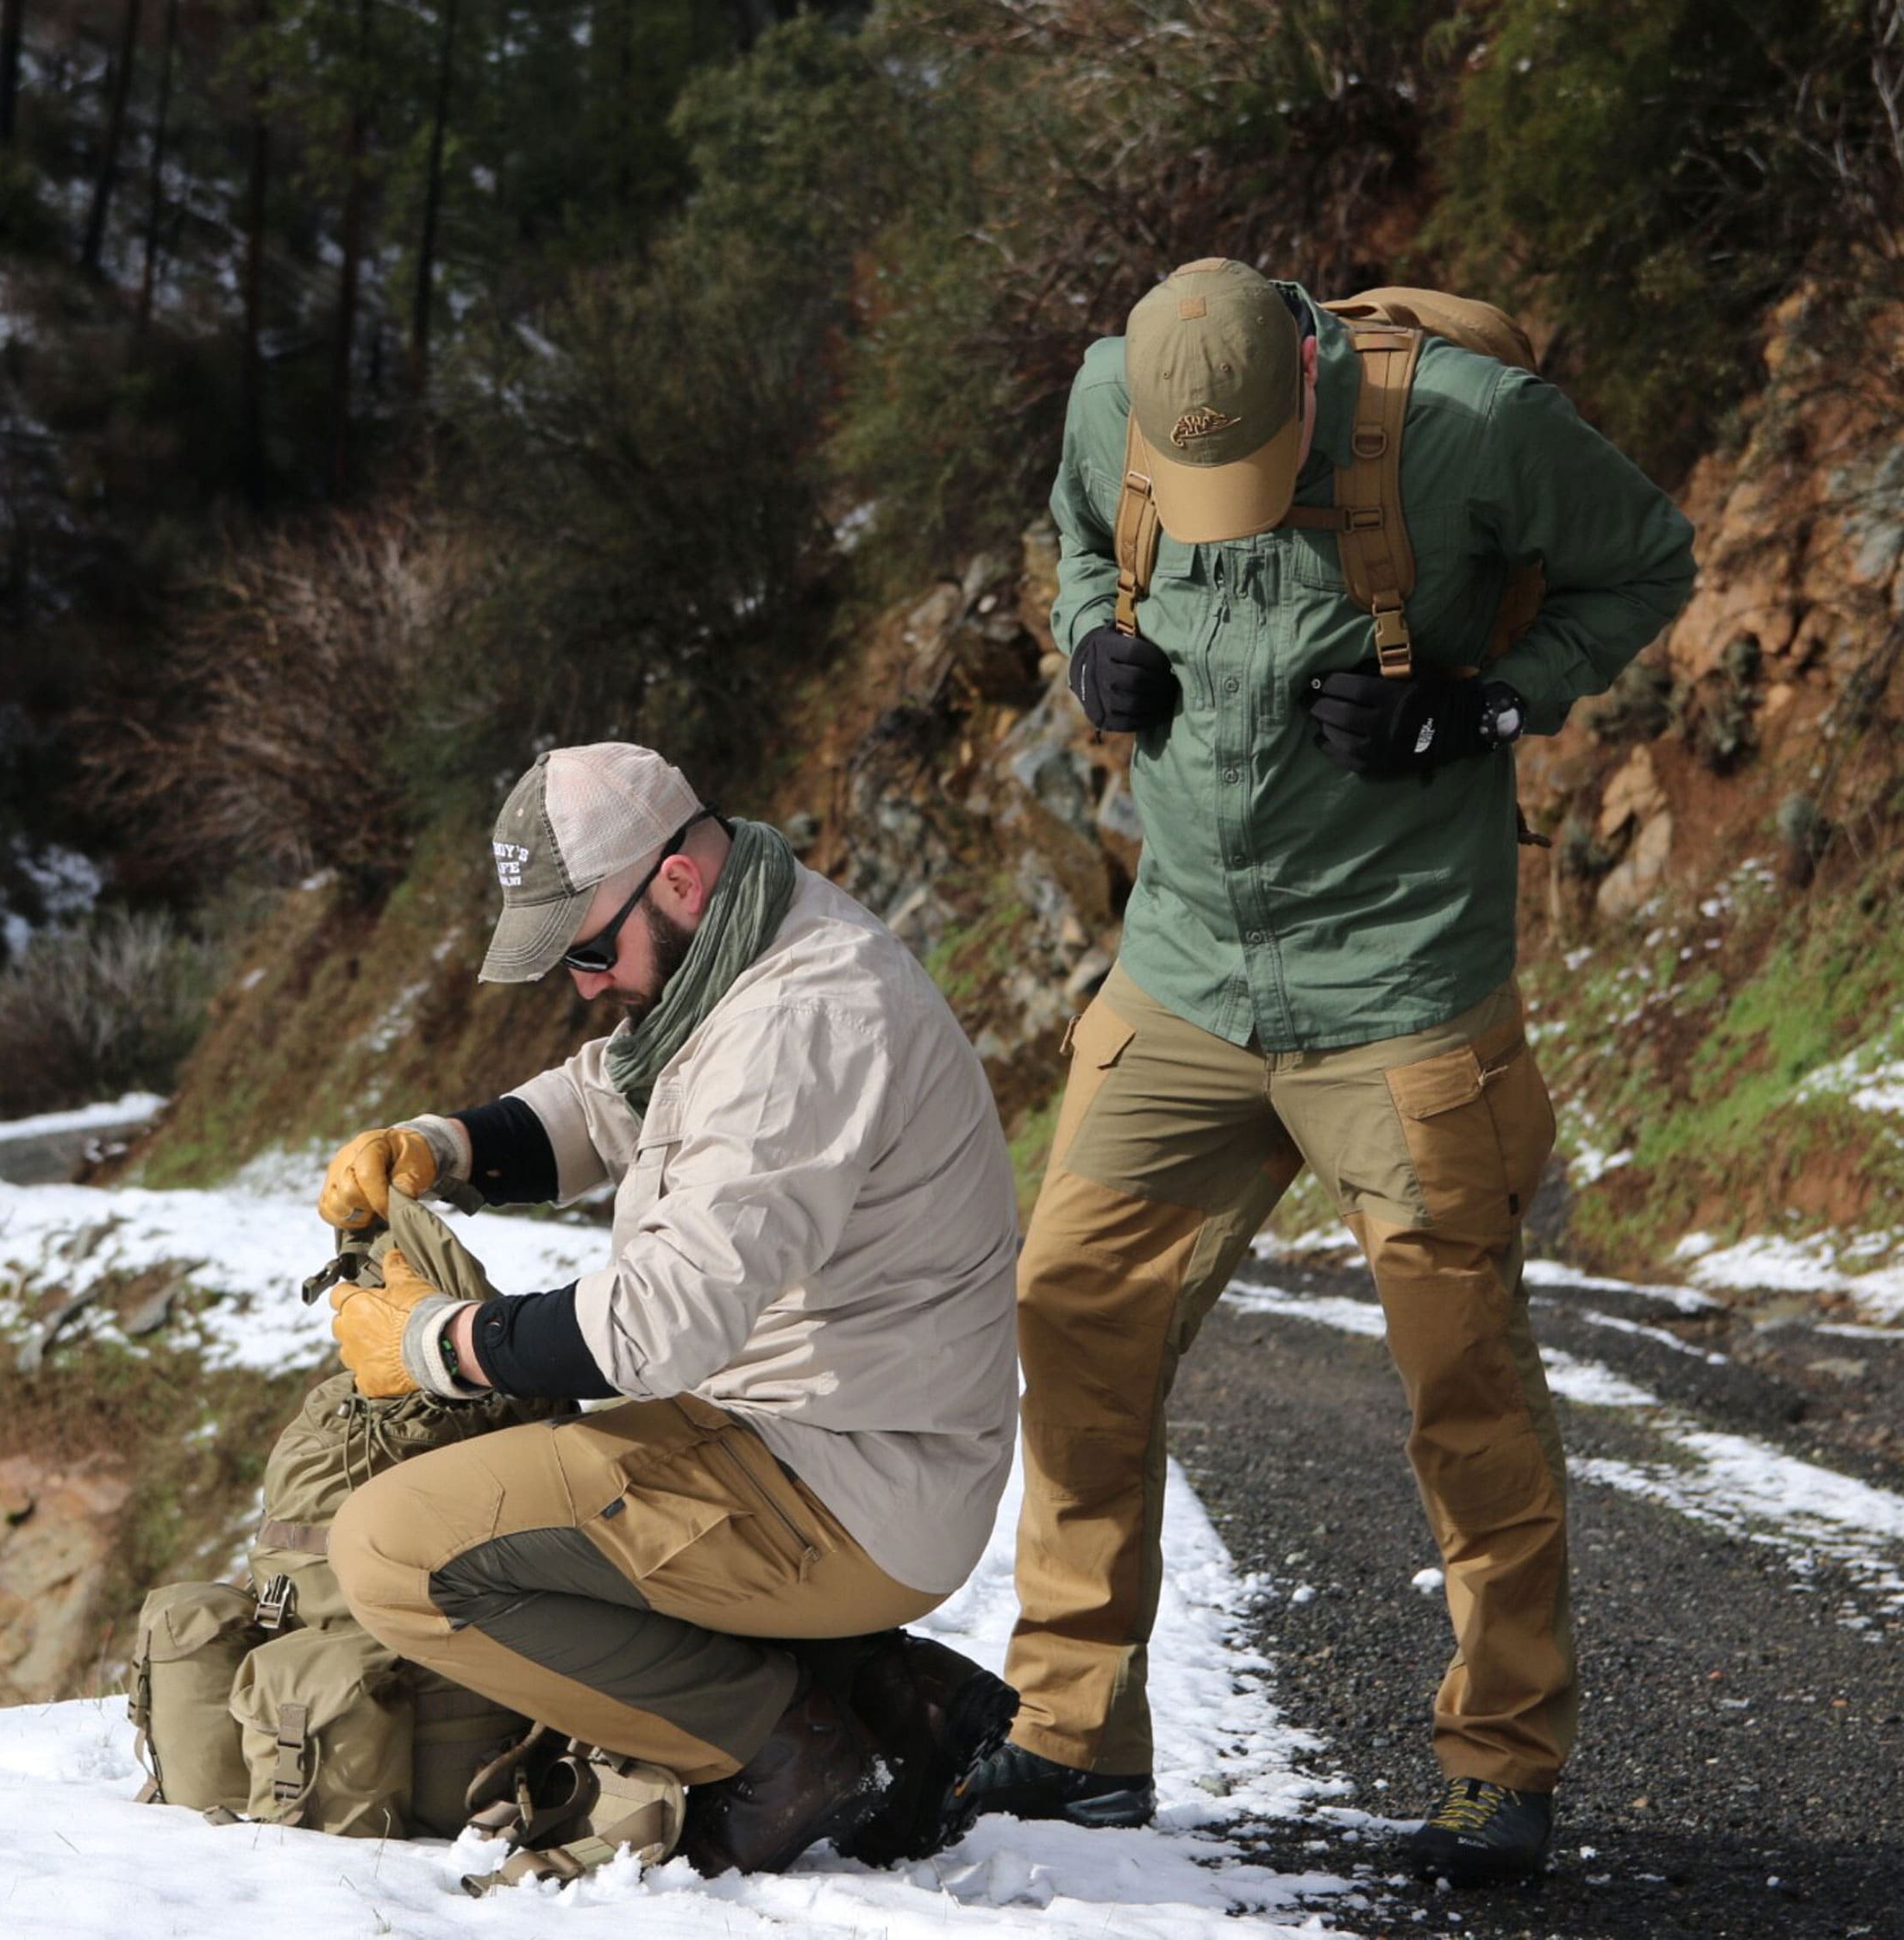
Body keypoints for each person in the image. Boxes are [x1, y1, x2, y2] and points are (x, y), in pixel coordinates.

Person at [968, 260, 1697, 1883]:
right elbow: (1084, 549)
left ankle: (1502, 1763)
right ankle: (1073, 1736)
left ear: (1310, 382)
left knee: (1463, 1379)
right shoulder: (1110, 397)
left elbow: (1645, 564)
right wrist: (1096, 642)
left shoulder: (1473, 428)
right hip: (1183, 978)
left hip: (1404, 989)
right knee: (1071, 1309)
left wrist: (1479, 702)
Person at [316, 742, 1022, 1877]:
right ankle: (876, 1690)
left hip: (841, 1483)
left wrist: (428, 1344)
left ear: (676, 883)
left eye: (590, 951)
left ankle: (785, 1746)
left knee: (394, 1548)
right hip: (806, 1442)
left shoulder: (799, 1022)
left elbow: (654, 1329)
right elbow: (606, 1098)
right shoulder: (740, 941)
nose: (587, 985)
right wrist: (443, 1148)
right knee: (497, 1492)